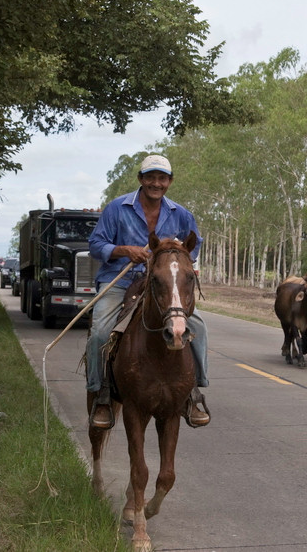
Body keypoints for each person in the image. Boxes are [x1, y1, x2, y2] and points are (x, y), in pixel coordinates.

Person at [86, 153, 210, 429]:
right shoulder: (117, 208)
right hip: (120, 281)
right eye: (151, 177)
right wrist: (122, 250)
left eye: (162, 178)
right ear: (141, 179)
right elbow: (96, 244)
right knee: (100, 333)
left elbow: (194, 247)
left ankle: (193, 392)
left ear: (169, 182)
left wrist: (175, 253)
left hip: (163, 284)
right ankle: (102, 395)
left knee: (198, 327)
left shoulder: (182, 215)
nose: (156, 183)